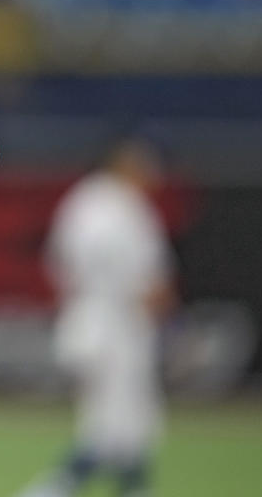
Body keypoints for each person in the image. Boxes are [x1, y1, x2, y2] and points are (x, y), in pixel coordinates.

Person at [19, 137, 178, 497]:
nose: (152, 173)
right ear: (123, 164)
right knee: (118, 424)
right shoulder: (122, 206)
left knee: (121, 421)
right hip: (117, 324)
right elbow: (147, 282)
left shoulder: (84, 201)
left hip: (83, 316)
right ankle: (52, 489)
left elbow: (59, 263)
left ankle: (127, 489)